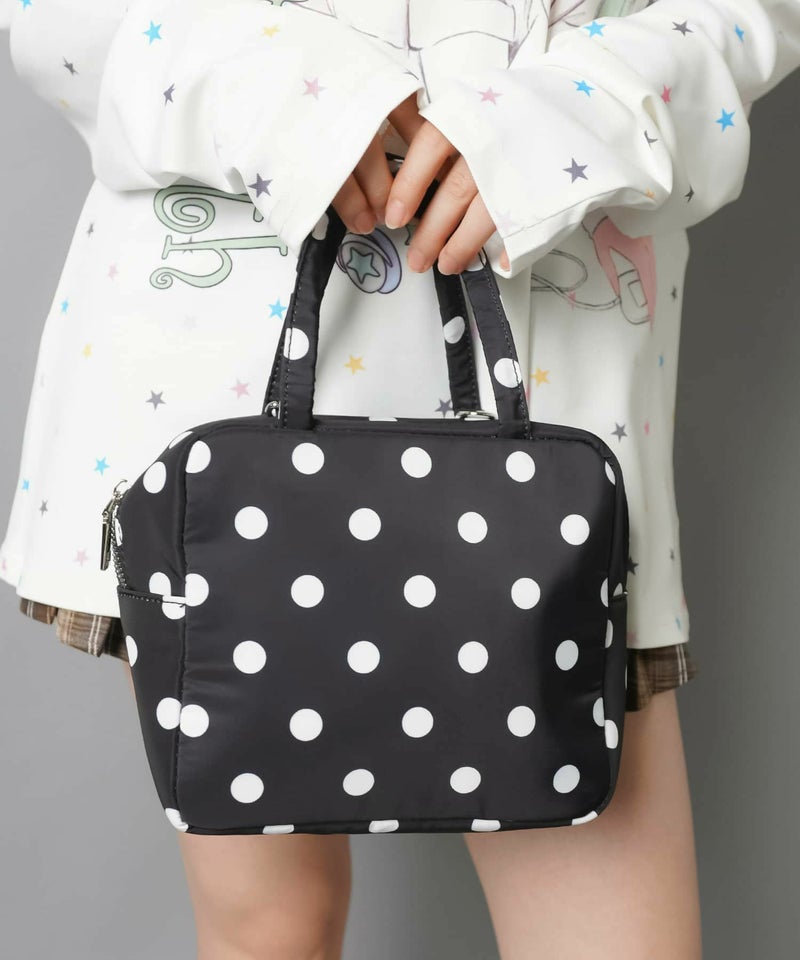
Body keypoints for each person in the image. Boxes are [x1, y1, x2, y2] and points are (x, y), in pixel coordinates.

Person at [1, 0, 798, 956]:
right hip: (218, 386)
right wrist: (280, 89)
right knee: (269, 927)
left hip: (548, 417)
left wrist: (574, 111)